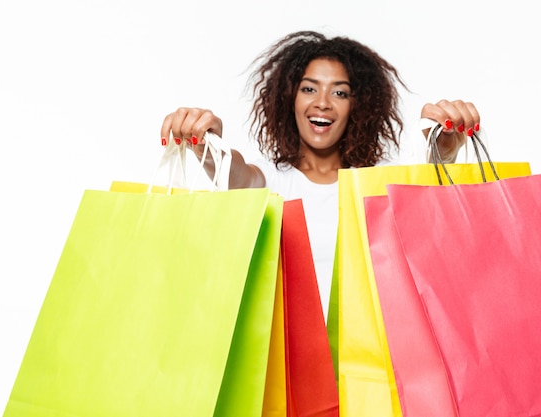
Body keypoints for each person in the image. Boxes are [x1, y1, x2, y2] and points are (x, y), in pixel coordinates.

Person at [159, 30, 480, 319]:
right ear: (290, 99)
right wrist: (205, 145)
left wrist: (444, 146)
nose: (323, 103)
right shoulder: (270, 180)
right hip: (283, 367)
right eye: (309, 89)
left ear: (359, 106)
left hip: (366, 365)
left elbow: (424, 191)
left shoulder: (376, 186)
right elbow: (234, 173)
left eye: (339, 93)